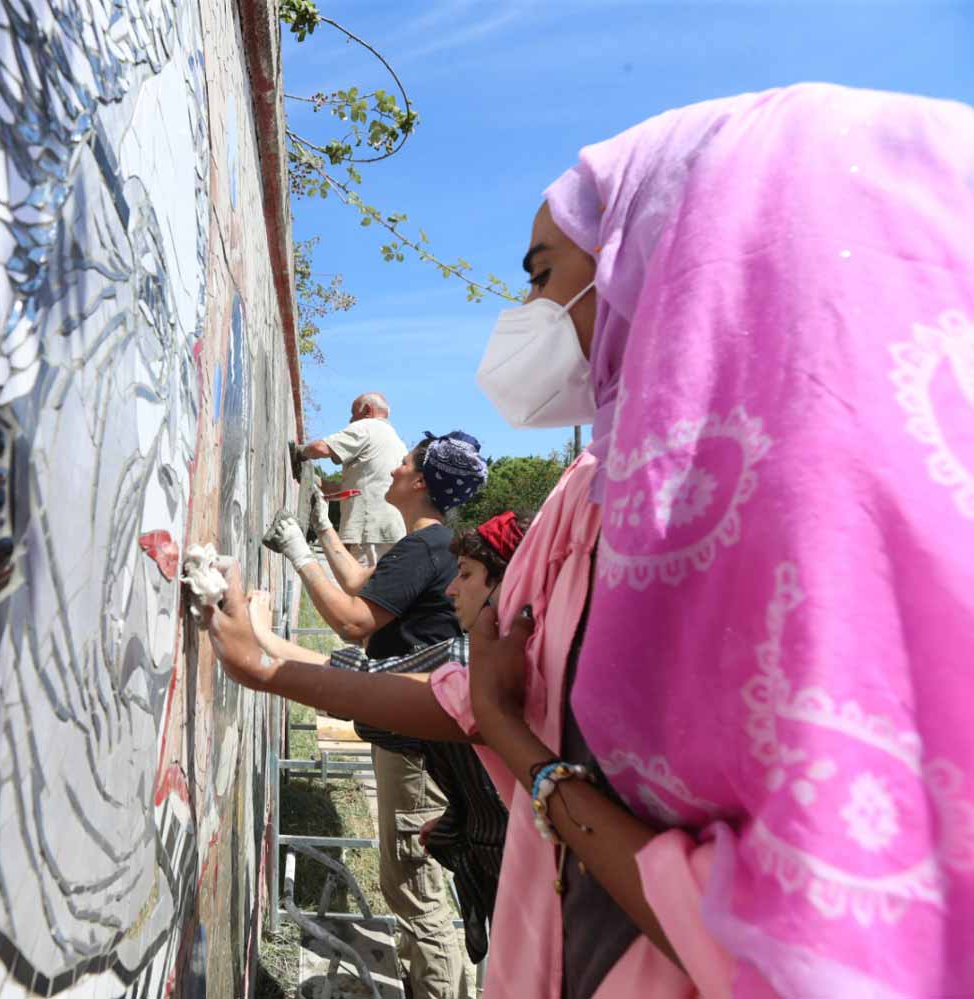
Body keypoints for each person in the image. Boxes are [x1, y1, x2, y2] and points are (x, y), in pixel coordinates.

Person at [213, 83, 974, 997]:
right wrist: (271, 667)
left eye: (542, 274)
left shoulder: (838, 551)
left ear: (680, 262)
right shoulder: (586, 502)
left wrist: (532, 768)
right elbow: (473, 692)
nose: (528, 309)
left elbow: (797, 950)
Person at [264, 430, 488, 998]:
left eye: (404, 464)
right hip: (418, 733)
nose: (392, 471)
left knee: (413, 884)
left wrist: (297, 555)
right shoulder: (431, 546)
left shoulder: (426, 546)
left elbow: (354, 622)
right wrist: (321, 533)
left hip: (416, 743)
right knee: (411, 877)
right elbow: (366, 587)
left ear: (420, 482)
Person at [251, 513, 529, 967]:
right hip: (507, 887)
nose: (450, 589)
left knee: (419, 902)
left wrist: (257, 648)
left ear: (507, 584)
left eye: (466, 575)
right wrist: (455, 823)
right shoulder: (480, 662)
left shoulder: (470, 668)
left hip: (525, 888)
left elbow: (352, 648)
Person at [291, 392, 406, 566]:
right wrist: (311, 479)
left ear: (367, 410)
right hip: (392, 533)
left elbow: (321, 448)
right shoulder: (397, 442)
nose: (351, 420)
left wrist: (299, 452)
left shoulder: (367, 427)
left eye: (353, 413)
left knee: (360, 589)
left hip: (369, 533)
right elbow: (349, 490)